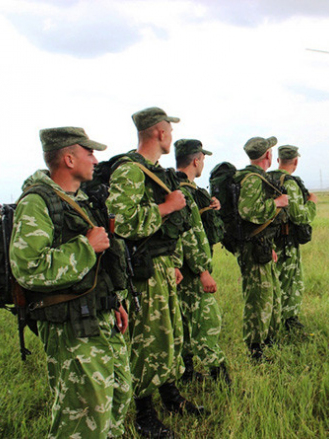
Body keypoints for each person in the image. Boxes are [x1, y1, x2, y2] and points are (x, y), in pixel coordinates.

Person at [9, 127, 132, 438]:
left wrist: (114, 301)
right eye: (88, 152)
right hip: (70, 326)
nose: (94, 158)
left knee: (117, 396)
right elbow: (29, 268)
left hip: (99, 316)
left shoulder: (79, 200)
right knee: (82, 415)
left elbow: (100, 267)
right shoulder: (37, 203)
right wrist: (86, 247)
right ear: (67, 158)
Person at [106, 107, 202, 439]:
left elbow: (168, 229)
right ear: (159, 133)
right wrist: (166, 207)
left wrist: (174, 261)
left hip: (161, 267)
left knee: (170, 334)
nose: (171, 137)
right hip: (142, 272)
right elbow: (119, 223)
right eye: (169, 132)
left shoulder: (153, 170)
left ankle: (170, 396)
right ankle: (144, 414)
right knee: (147, 339)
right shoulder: (130, 171)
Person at [174, 138, 231, 385]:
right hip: (191, 271)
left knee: (184, 323)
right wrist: (202, 271)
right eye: (203, 159)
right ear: (196, 160)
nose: (203, 163)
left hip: (179, 271)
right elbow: (189, 233)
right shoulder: (184, 192)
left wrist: (210, 208)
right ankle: (220, 379)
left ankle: (186, 374)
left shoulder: (179, 189)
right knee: (206, 321)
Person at [234, 136, 288, 360]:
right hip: (252, 248)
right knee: (259, 299)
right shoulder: (252, 179)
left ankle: (268, 341)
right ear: (267, 155)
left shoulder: (255, 177)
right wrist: (276, 203)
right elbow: (247, 211)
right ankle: (255, 349)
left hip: (261, 245)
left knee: (270, 295)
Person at [268, 145, 318, 330]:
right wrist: (312, 204)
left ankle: (275, 318)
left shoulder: (268, 178)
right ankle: (288, 321)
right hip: (285, 241)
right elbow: (300, 216)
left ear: (278, 160)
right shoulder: (289, 183)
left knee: (276, 280)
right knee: (290, 281)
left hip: (269, 240)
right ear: (295, 161)